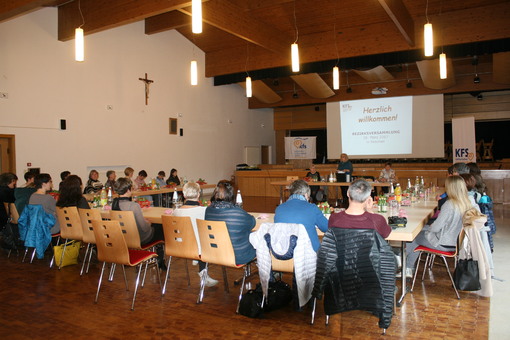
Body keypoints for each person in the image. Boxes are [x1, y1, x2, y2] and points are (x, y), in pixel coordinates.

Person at [405, 175, 472, 277]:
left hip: (443, 243)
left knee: (414, 236)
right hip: (456, 242)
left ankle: (405, 265)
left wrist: (429, 227)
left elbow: (436, 228)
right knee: (420, 230)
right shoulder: (467, 203)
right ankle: (407, 267)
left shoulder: (450, 205)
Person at [112, 178, 165, 267]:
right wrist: (148, 223)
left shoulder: (114, 204)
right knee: (159, 227)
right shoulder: (133, 206)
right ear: (128, 190)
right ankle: (160, 260)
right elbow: (144, 228)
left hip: (124, 238)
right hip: (140, 238)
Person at [173, 182, 218, 286]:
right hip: (200, 246)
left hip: (181, 245)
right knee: (206, 236)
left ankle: (197, 261)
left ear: (183, 195)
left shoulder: (176, 211)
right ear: (198, 194)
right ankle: (202, 269)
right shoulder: (204, 210)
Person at [205, 180, 255, 265]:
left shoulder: (208, 210)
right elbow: (252, 223)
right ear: (232, 195)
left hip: (215, 253)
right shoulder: (237, 212)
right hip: (239, 256)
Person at [274, 179, 328, 253]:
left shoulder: (279, 209)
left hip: (285, 253)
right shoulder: (312, 208)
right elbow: (326, 228)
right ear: (306, 194)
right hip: (309, 255)